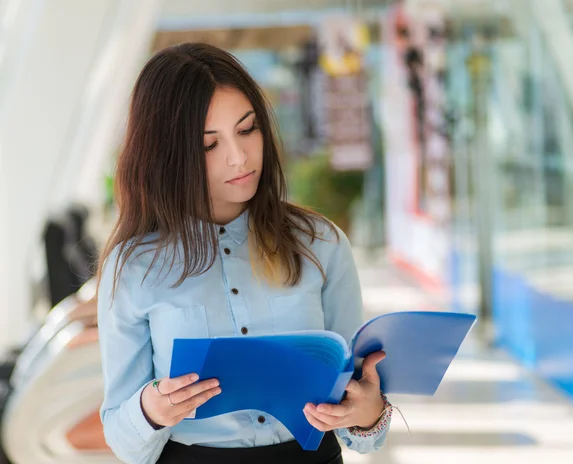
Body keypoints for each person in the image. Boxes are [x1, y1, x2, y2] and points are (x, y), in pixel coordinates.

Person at [96, 43, 392, 464]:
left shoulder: (321, 244)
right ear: (166, 156)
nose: (238, 158)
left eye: (247, 129)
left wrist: (367, 415)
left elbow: (360, 423)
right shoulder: (134, 268)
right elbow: (123, 442)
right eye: (208, 145)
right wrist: (151, 410)